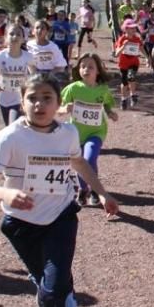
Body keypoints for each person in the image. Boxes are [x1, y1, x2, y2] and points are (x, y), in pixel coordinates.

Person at [0, 73, 119, 307]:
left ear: (58, 103)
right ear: (23, 100)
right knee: (52, 290)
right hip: (20, 226)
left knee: (55, 290)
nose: (39, 104)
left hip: (61, 218)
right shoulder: (10, 137)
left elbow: (79, 164)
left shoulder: (67, 133)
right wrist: (4, 194)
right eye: (32, 98)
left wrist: (102, 193)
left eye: (47, 98)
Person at [60, 54, 118, 206]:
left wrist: (110, 113)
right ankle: (83, 189)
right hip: (76, 132)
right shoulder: (72, 89)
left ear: (98, 71)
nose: (86, 69)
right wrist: (64, 108)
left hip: (96, 131)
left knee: (89, 157)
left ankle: (95, 190)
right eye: (83, 66)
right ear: (79, 70)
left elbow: (106, 104)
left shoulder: (102, 90)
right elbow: (57, 107)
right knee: (79, 161)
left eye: (91, 66)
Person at [0, 25, 31, 125]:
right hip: (3, 99)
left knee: (14, 126)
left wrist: (31, 86)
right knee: (8, 128)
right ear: (5, 37)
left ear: (23, 39)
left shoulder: (28, 57)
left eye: (18, 34)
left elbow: (35, 76)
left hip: (20, 99)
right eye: (11, 34)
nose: (15, 37)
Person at [113, 18, 143, 110]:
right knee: (125, 83)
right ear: (126, 29)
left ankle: (133, 95)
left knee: (131, 77)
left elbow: (141, 48)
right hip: (123, 64)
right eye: (131, 28)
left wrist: (148, 57)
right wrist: (124, 46)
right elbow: (117, 53)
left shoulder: (137, 39)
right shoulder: (122, 39)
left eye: (134, 28)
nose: (133, 30)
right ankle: (123, 100)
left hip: (134, 63)